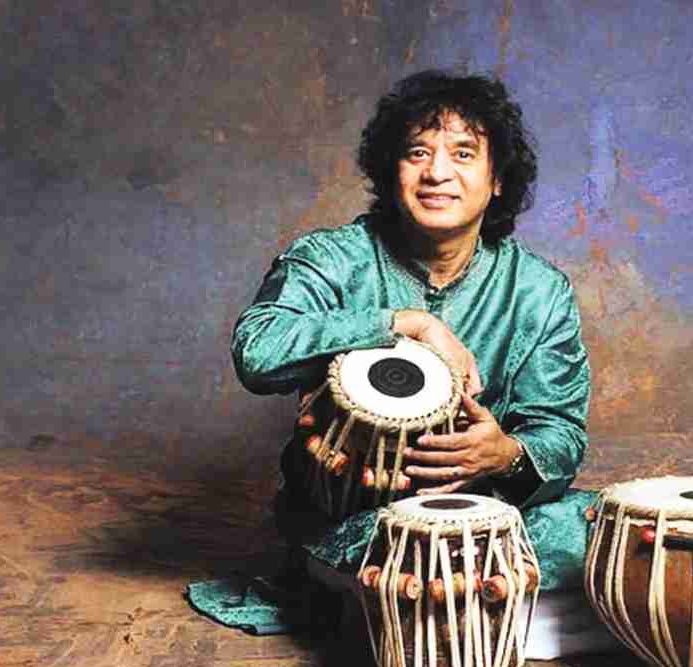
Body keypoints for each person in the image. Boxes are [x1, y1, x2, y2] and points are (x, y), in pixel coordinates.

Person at [233, 70, 590, 529]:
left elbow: (560, 432)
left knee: (588, 523)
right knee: (361, 543)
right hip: (344, 516)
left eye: (463, 154)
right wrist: (406, 323)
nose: (437, 173)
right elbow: (257, 349)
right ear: (392, 171)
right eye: (417, 152)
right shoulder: (331, 259)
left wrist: (505, 454)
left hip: (476, 516)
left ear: (498, 178)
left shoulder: (539, 291)